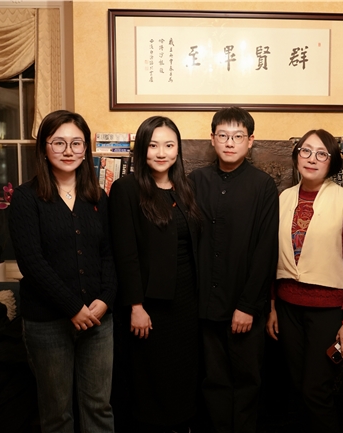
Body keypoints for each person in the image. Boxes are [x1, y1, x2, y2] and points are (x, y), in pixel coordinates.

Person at [9, 110, 116, 433]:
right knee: (57, 413)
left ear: (85, 149)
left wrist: (105, 300)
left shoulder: (98, 197)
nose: (68, 151)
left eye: (76, 143)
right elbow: (32, 263)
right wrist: (73, 308)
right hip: (47, 324)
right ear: (44, 148)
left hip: (98, 320)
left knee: (99, 407)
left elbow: (109, 254)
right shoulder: (26, 198)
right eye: (59, 143)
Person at [266, 129, 343, 432]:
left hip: (328, 311)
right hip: (288, 308)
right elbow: (272, 257)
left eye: (322, 153)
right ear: (297, 155)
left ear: (332, 162)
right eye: (306, 151)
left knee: (315, 390)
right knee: (297, 388)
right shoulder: (283, 198)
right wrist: (272, 306)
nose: (312, 158)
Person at [189, 106, 279, 433]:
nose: (230, 143)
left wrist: (248, 305)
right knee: (211, 380)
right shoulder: (195, 181)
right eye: (223, 135)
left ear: (250, 141)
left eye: (238, 136)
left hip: (245, 305)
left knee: (246, 380)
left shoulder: (263, 185)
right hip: (204, 305)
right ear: (212, 139)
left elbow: (266, 250)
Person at [108, 116, 201, 433]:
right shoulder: (126, 189)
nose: (161, 153)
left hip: (187, 302)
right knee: (152, 379)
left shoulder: (186, 188)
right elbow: (125, 253)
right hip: (149, 305)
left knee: (183, 374)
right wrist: (135, 306)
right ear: (141, 149)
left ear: (178, 149)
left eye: (169, 145)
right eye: (153, 145)